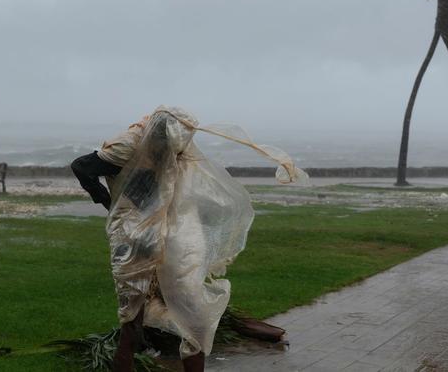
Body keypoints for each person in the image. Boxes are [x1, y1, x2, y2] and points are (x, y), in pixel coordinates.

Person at [71, 106, 306, 372]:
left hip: (172, 223)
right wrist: (110, 202)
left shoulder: (180, 141)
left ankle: (189, 349)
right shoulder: (128, 145)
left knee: (190, 304)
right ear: (156, 135)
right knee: (132, 307)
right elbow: (81, 167)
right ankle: (131, 347)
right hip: (132, 229)